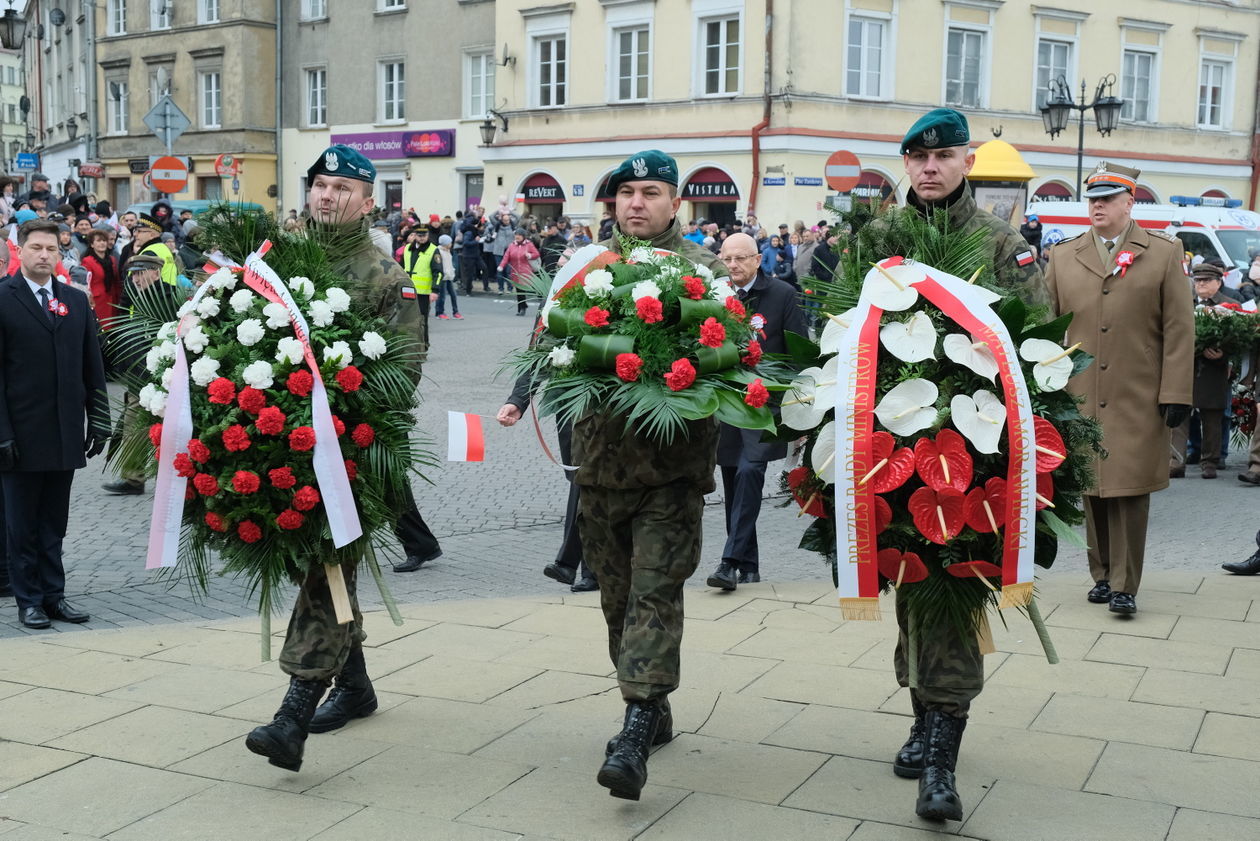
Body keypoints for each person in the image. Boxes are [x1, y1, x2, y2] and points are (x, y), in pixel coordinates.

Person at [882, 108, 1050, 824]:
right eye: (917, 157)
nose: (928, 167)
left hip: (976, 459)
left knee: (955, 597)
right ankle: (924, 713)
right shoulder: (881, 239)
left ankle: (943, 756)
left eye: (943, 155)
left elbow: (1037, 343)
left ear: (966, 162)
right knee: (911, 590)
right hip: (888, 455)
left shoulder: (1002, 245)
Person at [244, 145, 433, 773]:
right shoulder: (278, 261)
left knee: (330, 564)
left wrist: (340, 411)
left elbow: (403, 371)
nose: (328, 196)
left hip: (353, 453)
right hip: (281, 443)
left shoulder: (386, 276)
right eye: (321, 185)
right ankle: (355, 686)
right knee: (321, 567)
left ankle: (293, 713)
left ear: (368, 199)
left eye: (343, 188)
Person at [573, 149, 727, 802]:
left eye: (651, 191)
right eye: (627, 192)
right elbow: (544, 345)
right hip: (599, 470)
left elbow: (732, 361)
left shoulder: (707, 274)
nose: (636, 202)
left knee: (652, 597)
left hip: (671, 474)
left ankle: (634, 732)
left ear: (675, 203)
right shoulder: (585, 268)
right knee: (616, 603)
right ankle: (654, 707)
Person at [1045, 161, 1193, 618]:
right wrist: (1045, 392)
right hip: (1081, 393)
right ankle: (1103, 574)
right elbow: (1048, 331)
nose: (1098, 206)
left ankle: (1126, 584)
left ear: (1130, 203)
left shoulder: (1163, 253)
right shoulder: (1063, 256)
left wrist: (1176, 394)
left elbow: (1179, 329)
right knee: (1093, 486)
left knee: (1129, 489)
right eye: (1093, 199)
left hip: (1138, 393)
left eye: (1108, 199)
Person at [0, 219, 110, 629]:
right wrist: (2, 433)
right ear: (21, 251)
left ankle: (53, 595)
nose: (44, 255)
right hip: (19, 435)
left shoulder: (75, 301)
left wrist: (99, 419)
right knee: (21, 524)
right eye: (36, 248)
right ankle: (27, 599)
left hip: (64, 432)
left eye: (51, 249)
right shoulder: (4, 298)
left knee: (54, 523)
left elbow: (92, 366)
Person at [705, 232, 807, 591]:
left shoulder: (782, 295)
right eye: (727, 259)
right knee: (733, 479)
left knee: (750, 471)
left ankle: (729, 562)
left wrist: (800, 409)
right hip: (727, 403)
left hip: (766, 404)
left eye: (740, 259)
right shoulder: (714, 295)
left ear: (757, 259)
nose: (732, 265)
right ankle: (750, 565)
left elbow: (799, 353)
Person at [101, 213, 183, 496]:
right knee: (134, 425)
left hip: (167, 376)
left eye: (141, 273)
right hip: (139, 377)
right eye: (133, 274)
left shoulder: (172, 297)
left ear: (157, 272)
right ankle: (134, 478)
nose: (136, 278)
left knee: (171, 429)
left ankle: (176, 478)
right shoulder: (137, 297)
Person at [1171, 263, 1238, 480]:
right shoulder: (1183, 304)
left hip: (1213, 370)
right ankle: (1175, 462)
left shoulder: (1232, 306)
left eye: (1206, 280)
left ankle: (1210, 461)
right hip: (1183, 368)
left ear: (1219, 282)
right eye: (1197, 280)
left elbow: (1241, 341)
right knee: (1178, 416)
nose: (1200, 284)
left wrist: (1223, 353)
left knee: (1212, 418)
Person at [398, 226, 441, 347]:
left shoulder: (433, 250)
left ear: (428, 236)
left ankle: (423, 345)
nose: (421, 238)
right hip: (407, 290)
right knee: (406, 319)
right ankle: (408, 346)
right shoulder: (407, 249)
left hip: (423, 292)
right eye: (419, 235)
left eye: (424, 236)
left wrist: (434, 290)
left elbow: (438, 272)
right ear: (415, 235)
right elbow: (399, 269)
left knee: (422, 320)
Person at [80, 229, 122, 327]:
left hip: (113, 300)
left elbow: (116, 280)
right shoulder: (88, 261)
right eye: (98, 241)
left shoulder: (112, 259)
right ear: (92, 244)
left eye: (104, 241)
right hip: (97, 301)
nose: (102, 243)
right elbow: (87, 284)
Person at [498, 228, 539, 317]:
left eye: (519, 235)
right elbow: (506, 257)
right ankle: (522, 307)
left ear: (523, 236)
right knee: (518, 291)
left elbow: (537, 254)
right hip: (515, 271)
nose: (517, 236)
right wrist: (501, 266)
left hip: (525, 271)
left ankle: (522, 309)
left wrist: (530, 255)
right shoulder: (511, 245)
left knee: (522, 290)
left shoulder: (529, 244)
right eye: (516, 235)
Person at [433, 234, 462, 320]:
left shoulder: (448, 251)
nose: (451, 244)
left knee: (453, 295)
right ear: (445, 243)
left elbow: (449, 264)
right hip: (442, 277)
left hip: (449, 276)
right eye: (450, 242)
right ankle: (439, 312)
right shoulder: (439, 252)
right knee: (441, 296)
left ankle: (455, 312)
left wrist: (452, 272)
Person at [458, 207, 485, 294]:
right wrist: (476, 241)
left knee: (484, 268)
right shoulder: (469, 232)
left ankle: (486, 286)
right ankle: (468, 291)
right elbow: (465, 243)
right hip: (469, 256)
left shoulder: (474, 230)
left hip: (476, 254)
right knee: (469, 274)